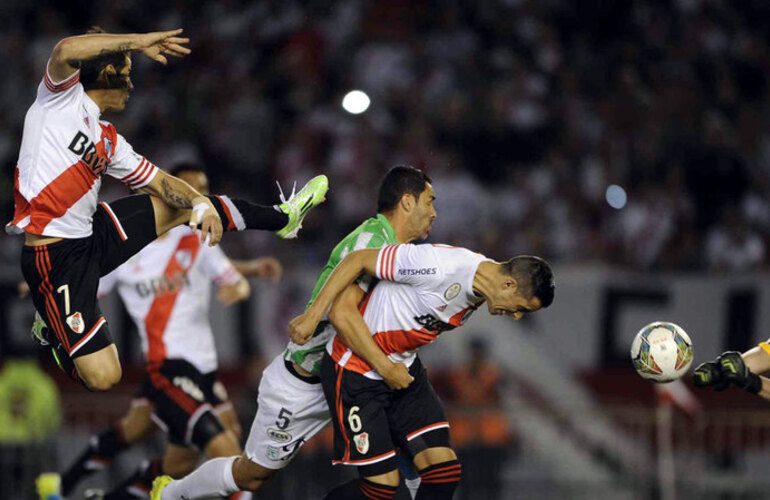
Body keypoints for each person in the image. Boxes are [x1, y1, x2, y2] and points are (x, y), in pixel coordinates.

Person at [9, 27, 327, 392]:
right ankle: (50, 330)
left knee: (184, 205)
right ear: (108, 76)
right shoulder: (57, 100)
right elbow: (65, 48)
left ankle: (282, 218)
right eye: (127, 76)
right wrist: (138, 41)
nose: (131, 87)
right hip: (54, 257)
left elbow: (162, 183)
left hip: (94, 234)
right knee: (104, 377)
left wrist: (198, 204)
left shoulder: (110, 140)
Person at [152, 165, 436, 499]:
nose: (434, 213)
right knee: (252, 475)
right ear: (406, 202)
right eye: (429, 201)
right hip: (307, 384)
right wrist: (388, 367)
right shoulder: (370, 244)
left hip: (358, 381)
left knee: (417, 449)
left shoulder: (403, 255)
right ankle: (171, 494)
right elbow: (342, 314)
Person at [49, 164, 281, 499]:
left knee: (176, 461)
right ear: (167, 189)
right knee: (225, 448)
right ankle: (60, 487)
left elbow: (229, 276)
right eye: (190, 188)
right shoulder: (125, 252)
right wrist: (52, 290)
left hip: (203, 368)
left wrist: (243, 283)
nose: (198, 196)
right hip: (166, 367)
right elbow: (85, 287)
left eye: (203, 188)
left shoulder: (197, 238)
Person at [287, 244, 555, 499]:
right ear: (509, 284)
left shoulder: (479, 290)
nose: (517, 316)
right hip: (355, 373)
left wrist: (392, 369)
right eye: (520, 308)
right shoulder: (440, 265)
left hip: (402, 372)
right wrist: (313, 315)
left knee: (444, 474)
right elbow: (357, 259)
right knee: (380, 489)